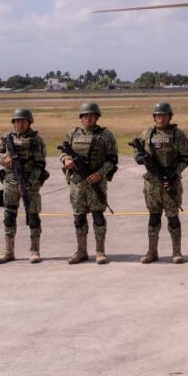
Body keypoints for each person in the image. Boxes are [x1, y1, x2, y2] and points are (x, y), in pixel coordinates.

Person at [59, 102, 118, 264]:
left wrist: (100, 174)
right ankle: (81, 251)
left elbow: (112, 159)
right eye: (85, 116)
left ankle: (100, 251)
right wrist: (66, 159)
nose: (88, 118)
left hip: (96, 182)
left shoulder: (106, 135)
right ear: (81, 118)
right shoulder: (73, 133)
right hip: (77, 183)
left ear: (96, 117)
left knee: (98, 216)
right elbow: (63, 151)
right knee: (79, 218)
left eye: (91, 115)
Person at [133, 102, 188, 264]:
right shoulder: (147, 133)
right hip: (152, 184)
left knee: (173, 217)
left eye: (164, 115)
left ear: (169, 117)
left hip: (171, 182)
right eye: (158, 115)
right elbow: (137, 154)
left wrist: (174, 174)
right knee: (154, 217)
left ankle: (176, 252)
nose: (161, 118)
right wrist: (140, 158)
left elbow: (185, 157)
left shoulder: (178, 134)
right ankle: (152, 251)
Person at [0, 108, 48, 263]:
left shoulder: (36, 140)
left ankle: (34, 250)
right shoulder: (6, 138)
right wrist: (4, 159)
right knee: (9, 216)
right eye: (17, 121)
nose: (20, 124)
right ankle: (9, 251)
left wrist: (30, 182)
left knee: (33, 216)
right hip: (10, 182)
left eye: (23, 121)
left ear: (29, 122)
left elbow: (40, 164)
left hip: (29, 183)